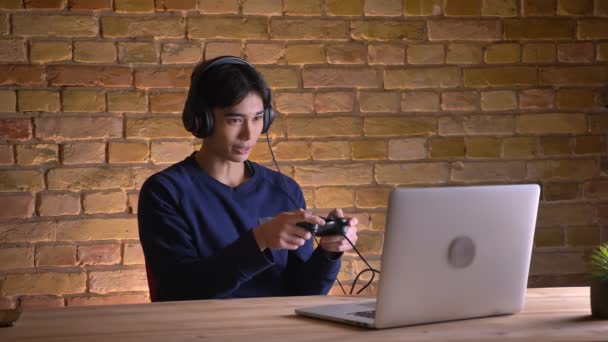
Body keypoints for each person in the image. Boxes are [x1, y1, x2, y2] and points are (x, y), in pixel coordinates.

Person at [138, 56, 359, 302]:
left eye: (257, 118)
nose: (249, 134)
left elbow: (301, 293)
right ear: (202, 120)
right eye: (235, 120)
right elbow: (181, 290)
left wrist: (328, 253)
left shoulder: (284, 189)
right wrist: (260, 240)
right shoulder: (165, 192)